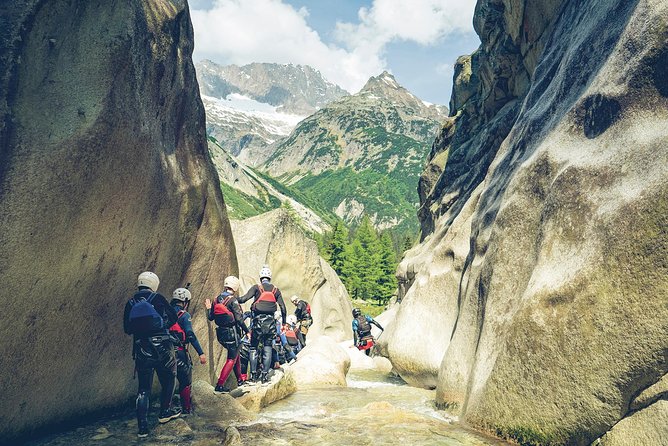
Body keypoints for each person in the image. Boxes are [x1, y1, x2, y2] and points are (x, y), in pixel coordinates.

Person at [123, 271, 181, 438]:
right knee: (169, 378)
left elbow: (127, 329)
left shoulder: (130, 302)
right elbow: (174, 318)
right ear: (153, 284)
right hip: (163, 346)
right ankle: (165, 412)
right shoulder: (158, 298)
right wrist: (161, 325)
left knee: (143, 389)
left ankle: (142, 428)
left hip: (142, 349)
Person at [237, 265, 287, 383]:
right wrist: (284, 323)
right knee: (268, 347)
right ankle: (265, 376)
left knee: (253, 347)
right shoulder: (276, 290)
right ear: (270, 277)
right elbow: (283, 308)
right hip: (271, 323)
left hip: (258, 323)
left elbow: (243, 299)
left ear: (261, 277)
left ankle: (253, 376)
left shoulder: (257, 287)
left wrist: (232, 298)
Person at [205, 275, 249, 392]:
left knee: (236, 354)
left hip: (221, 333)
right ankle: (219, 385)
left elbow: (210, 317)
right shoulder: (232, 300)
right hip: (232, 333)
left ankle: (240, 379)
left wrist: (209, 308)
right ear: (235, 287)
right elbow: (239, 319)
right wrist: (247, 331)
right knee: (231, 359)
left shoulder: (215, 299)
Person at [169, 287, 206, 414]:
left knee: (167, 381)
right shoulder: (184, 316)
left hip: (164, 352)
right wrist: (201, 352)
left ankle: (166, 409)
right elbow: (190, 335)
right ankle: (186, 409)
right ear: (185, 302)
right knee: (185, 381)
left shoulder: (165, 313)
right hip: (179, 352)